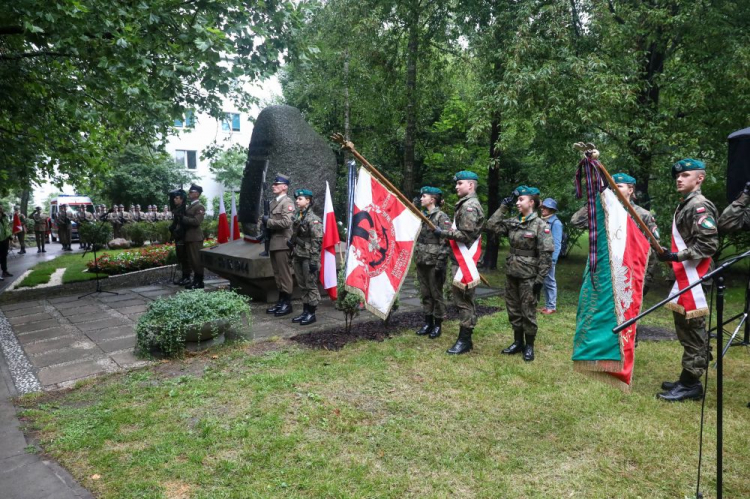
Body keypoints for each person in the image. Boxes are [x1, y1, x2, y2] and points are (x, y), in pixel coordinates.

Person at [656, 159, 719, 402]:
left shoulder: (700, 206)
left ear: (699, 179)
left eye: (685, 175)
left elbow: (708, 244)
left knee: (694, 330)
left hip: (697, 276)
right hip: (687, 275)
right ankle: (687, 377)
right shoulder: (686, 204)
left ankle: (691, 384)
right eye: (678, 176)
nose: (679, 179)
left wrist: (676, 255)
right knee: (686, 329)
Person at [487, 186, 553, 362]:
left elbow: (546, 255)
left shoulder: (540, 225)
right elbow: (491, 226)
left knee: (528, 311)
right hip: (512, 273)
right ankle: (517, 342)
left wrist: (540, 280)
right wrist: (502, 207)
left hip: (529, 276)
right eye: (517, 200)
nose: (517, 202)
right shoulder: (513, 222)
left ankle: (529, 345)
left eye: (520, 199)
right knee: (513, 309)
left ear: (531, 202)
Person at [571, 172, 660, 295]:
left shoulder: (642, 215)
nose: (613, 189)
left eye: (618, 186)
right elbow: (576, 222)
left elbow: (652, 250)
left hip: (630, 273)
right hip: (603, 272)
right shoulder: (604, 213)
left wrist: (646, 280)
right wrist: (594, 200)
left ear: (630, 190)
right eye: (610, 186)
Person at [433, 171, 485, 355]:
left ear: (470, 185)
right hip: (460, 259)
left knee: (464, 301)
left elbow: (466, 235)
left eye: (460, 183)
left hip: (465, 261)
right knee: (462, 300)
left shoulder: (470, 206)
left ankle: (465, 341)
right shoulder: (465, 204)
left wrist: (443, 233)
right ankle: (465, 339)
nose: (456, 186)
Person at [415, 186, 452, 339]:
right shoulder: (421, 215)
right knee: (425, 293)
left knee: (436, 294)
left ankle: (437, 324)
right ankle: (427, 322)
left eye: (424, 196)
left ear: (432, 199)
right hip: (422, 259)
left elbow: (446, 240)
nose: (421, 198)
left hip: (434, 261)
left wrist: (441, 262)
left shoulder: (441, 217)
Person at [290, 189, 323, 325]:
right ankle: (305, 311)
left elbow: (317, 240)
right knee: (302, 285)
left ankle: (312, 313)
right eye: (297, 199)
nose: (297, 201)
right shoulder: (298, 216)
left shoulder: (313, 219)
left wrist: (314, 260)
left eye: (300, 199)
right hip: (298, 254)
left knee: (310, 285)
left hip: (309, 257)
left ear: (308, 201)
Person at [264, 174, 295, 317]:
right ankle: (281, 300)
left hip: (282, 243)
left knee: (284, 274)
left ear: (285, 187)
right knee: (277, 274)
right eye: (273, 184)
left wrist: (268, 222)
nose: (273, 186)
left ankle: (287, 303)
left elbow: (286, 222)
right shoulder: (273, 203)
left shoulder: (287, 202)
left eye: (277, 184)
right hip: (274, 243)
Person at [539, 198, 563, 315]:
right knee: (544, 281)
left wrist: (553, 259)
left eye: (546, 207)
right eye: (542, 207)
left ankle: (552, 306)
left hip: (549, 257)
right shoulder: (543, 221)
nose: (543, 209)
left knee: (550, 281)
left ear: (552, 209)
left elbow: (557, 243)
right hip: (541, 256)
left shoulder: (556, 223)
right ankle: (547, 304)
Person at [182, 185, 206, 289]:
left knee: (196, 260)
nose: (189, 193)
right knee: (191, 260)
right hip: (189, 236)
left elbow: (196, 221)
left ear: (197, 194)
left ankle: (199, 282)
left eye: (191, 191)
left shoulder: (199, 206)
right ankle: (194, 280)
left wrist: (183, 218)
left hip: (195, 237)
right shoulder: (190, 206)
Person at [169, 190, 191, 285]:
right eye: (174, 198)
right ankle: (183, 277)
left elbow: (185, 223)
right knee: (180, 258)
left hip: (183, 237)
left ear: (182, 200)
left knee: (184, 258)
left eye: (177, 198)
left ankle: (187, 277)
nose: (174, 199)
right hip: (178, 237)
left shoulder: (184, 210)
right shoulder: (178, 209)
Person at [0, 206, 13, 280]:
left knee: (4, 256)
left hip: (5, 239)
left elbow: (7, 227)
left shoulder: (4, 218)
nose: (1, 210)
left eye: (1, 209)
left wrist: (10, 236)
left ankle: (4, 271)